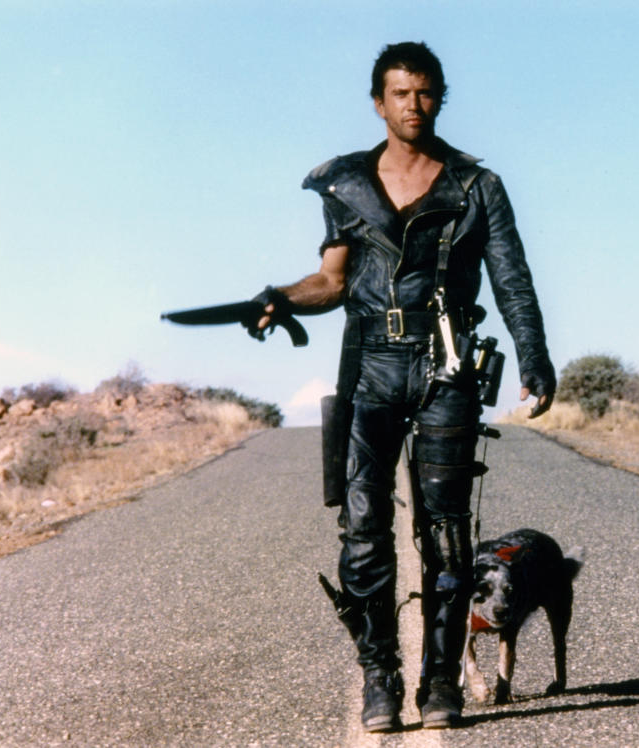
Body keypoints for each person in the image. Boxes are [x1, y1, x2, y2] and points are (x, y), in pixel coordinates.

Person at [254, 41, 555, 732]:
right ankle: (381, 681)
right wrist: (279, 297)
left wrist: (534, 360)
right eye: (399, 94)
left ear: (440, 97)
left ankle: (442, 683)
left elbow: (512, 280)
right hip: (369, 368)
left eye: (424, 93)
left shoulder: (477, 186)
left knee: (447, 537)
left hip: (447, 367)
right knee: (363, 533)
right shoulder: (346, 184)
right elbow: (329, 283)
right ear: (378, 101)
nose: (412, 106)